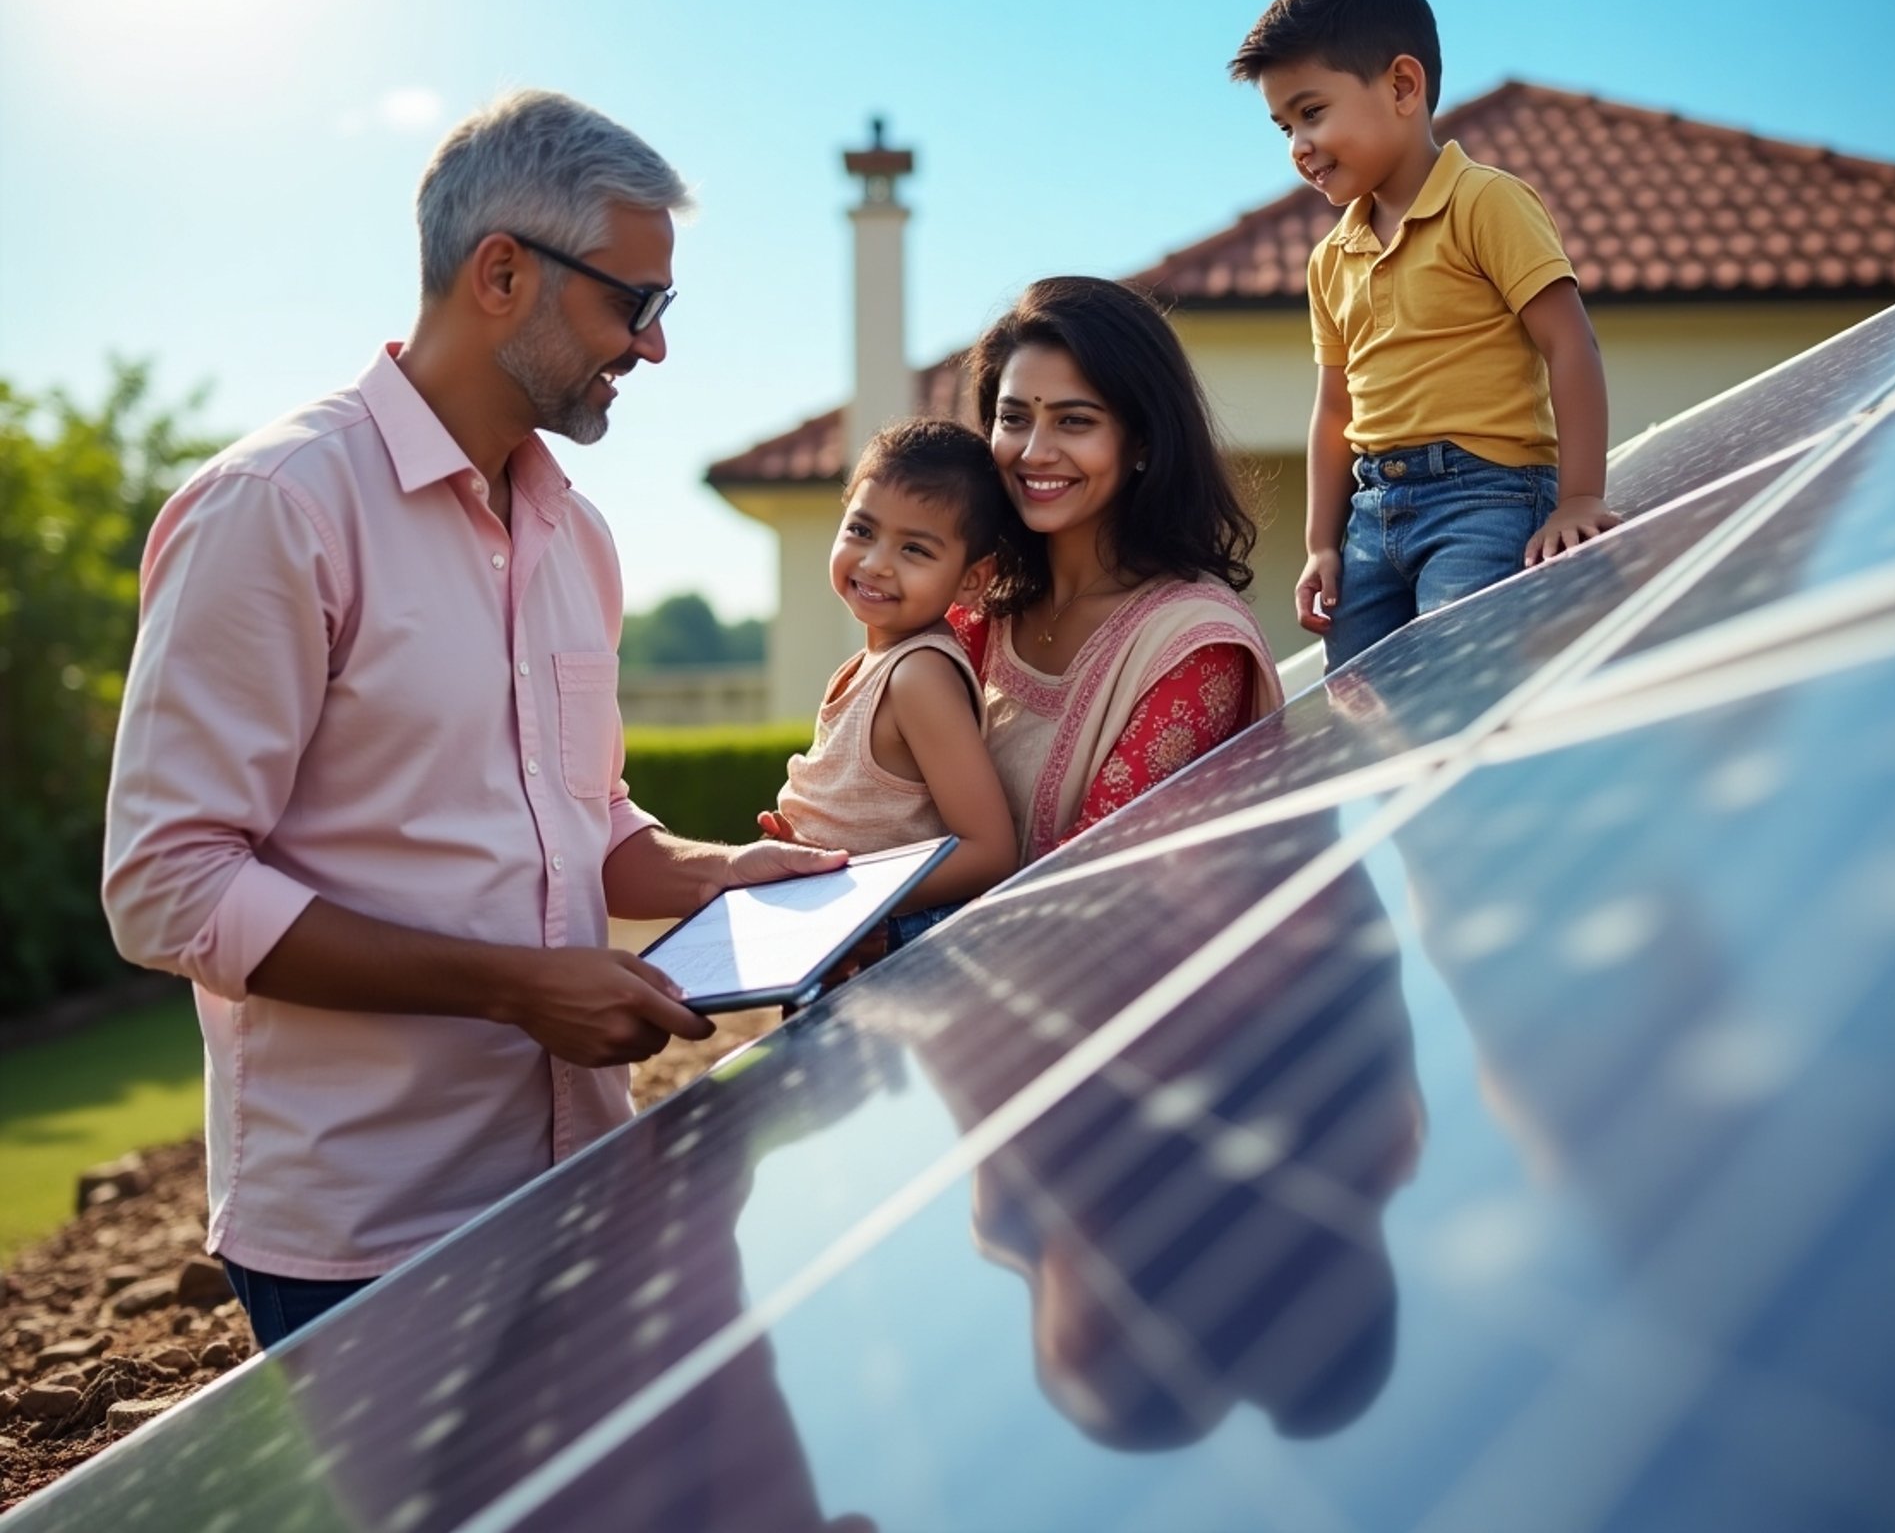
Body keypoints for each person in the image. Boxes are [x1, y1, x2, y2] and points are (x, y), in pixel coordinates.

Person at [101, 90, 842, 1347]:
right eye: (636, 303)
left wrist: (723, 876)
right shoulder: (275, 509)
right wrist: (514, 990)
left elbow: (582, 820)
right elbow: (167, 887)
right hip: (367, 1233)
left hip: (578, 1175)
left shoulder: (581, 539)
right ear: (503, 272)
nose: (654, 346)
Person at [1228, 0, 1620, 670]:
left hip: (1488, 503)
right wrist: (1322, 543)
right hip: (1371, 518)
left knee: (1459, 681)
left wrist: (1578, 497)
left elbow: (1571, 345)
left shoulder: (1486, 202)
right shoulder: (1329, 259)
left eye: (1312, 112)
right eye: (1284, 128)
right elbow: (1333, 413)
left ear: (1404, 85)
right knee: (1364, 699)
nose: (1301, 146)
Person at [953, 276, 1281, 863]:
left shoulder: (1194, 646)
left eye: (1074, 421)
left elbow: (1098, 870)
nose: (1034, 452)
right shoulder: (977, 607)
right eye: (1014, 418)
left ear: (1144, 441)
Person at [758, 418, 1020, 949]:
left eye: (915, 550)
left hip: (886, 949)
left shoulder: (918, 675)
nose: (876, 563)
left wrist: (845, 889)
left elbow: (989, 852)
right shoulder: (869, 666)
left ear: (972, 579)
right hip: (837, 934)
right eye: (862, 530)